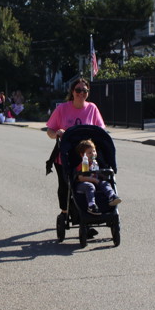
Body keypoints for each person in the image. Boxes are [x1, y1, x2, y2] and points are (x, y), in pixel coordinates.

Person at [45, 77, 106, 216]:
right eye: (78, 90)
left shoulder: (92, 108)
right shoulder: (62, 109)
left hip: (87, 156)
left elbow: (100, 130)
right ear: (72, 91)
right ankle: (65, 211)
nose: (81, 93)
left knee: (89, 183)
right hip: (65, 155)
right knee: (65, 185)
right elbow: (50, 130)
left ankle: (88, 210)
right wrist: (56, 133)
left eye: (84, 90)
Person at [74, 139, 121, 214]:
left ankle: (112, 196)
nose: (93, 154)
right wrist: (94, 180)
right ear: (83, 155)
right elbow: (81, 178)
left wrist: (102, 175)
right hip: (82, 185)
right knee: (90, 186)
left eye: (94, 151)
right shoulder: (83, 164)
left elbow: (96, 173)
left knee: (105, 183)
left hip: (95, 182)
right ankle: (91, 205)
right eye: (89, 153)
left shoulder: (95, 163)